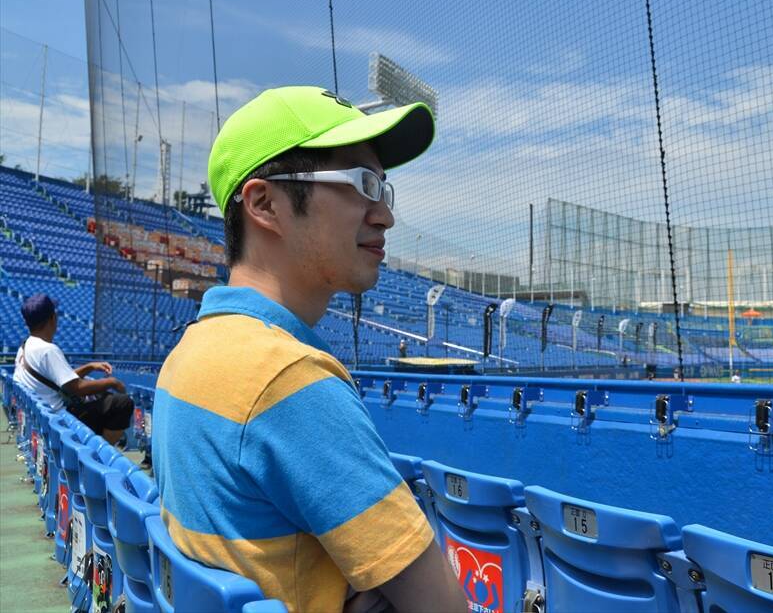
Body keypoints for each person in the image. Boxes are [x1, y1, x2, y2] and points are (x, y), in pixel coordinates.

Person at [152, 86, 465, 613]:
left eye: (383, 190)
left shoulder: (188, 352)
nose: (384, 216)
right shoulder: (289, 378)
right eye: (362, 184)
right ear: (264, 204)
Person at [13, 294, 132, 444]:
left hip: (41, 416)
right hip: (58, 419)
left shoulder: (25, 347)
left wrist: (89, 367)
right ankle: (100, 453)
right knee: (123, 403)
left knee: (104, 397)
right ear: (52, 318)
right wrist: (111, 382)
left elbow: (62, 379)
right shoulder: (47, 350)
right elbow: (77, 388)